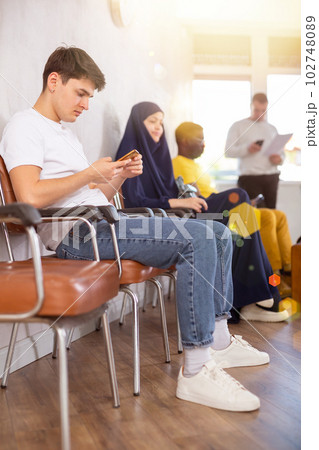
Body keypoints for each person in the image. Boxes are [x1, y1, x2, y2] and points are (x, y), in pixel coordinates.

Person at [0, 46, 273, 413]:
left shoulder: (66, 134)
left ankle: (220, 342)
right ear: (54, 81)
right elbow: (30, 197)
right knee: (201, 238)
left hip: (103, 221)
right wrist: (90, 174)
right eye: (81, 93)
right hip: (77, 235)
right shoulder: (24, 126)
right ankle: (195, 371)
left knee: (220, 231)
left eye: (90, 98)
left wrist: (117, 179)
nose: (85, 104)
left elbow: (94, 193)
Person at [115, 101, 289, 322]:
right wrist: (176, 203)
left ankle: (254, 296)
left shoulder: (158, 154)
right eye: (151, 121)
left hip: (183, 213)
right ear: (138, 124)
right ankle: (259, 294)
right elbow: (133, 202)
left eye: (160, 121)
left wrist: (188, 198)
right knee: (239, 210)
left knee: (240, 211)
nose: (158, 126)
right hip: (169, 221)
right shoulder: (130, 155)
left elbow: (171, 190)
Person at [173, 121, 292, 298]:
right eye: (200, 139)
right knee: (267, 217)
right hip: (208, 214)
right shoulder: (178, 163)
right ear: (184, 141)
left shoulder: (197, 165)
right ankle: (274, 279)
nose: (204, 144)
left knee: (279, 215)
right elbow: (195, 197)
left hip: (216, 207)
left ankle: (289, 272)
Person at [225, 93, 284, 209]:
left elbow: (282, 154)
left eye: (263, 110)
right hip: (249, 179)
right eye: (257, 110)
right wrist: (247, 148)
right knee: (254, 217)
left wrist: (279, 159)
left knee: (271, 215)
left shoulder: (272, 129)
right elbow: (228, 151)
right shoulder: (238, 126)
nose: (260, 114)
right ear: (251, 106)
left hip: (271, 177)